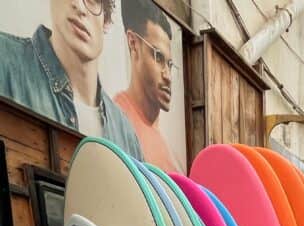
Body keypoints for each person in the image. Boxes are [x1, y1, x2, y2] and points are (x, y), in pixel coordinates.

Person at [0, 0, 141, 158]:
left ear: (106, 20)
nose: (79, 6)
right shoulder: (4, 61)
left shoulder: (126, 136)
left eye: (93, 0)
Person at [114, 0, 182, 171]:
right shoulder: (116, 124)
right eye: (158, 57)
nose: (167, 76)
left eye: (170, 64)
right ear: (133, 44)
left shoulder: (168, 149)